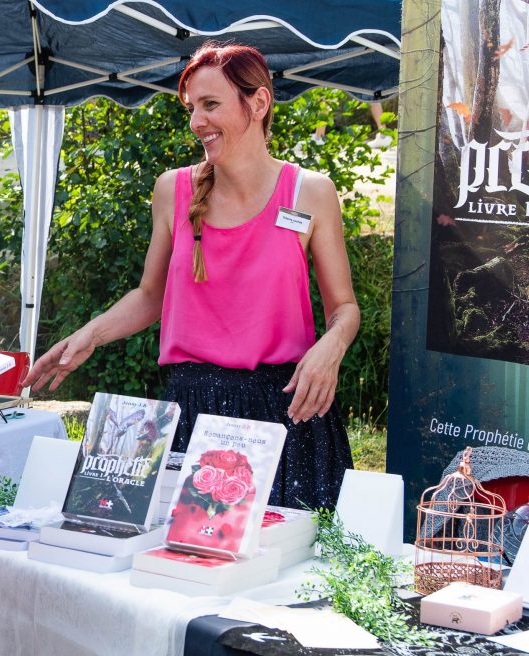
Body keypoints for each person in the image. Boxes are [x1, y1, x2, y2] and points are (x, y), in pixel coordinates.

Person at [23, 42, 359, 510]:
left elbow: (344, 308)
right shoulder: (172, 191)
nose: (197, 121)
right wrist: (88, 336)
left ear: (259, 103)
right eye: (192, 108)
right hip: (191, 411)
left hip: (285, 414)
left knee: (286, 574)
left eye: (211, 104)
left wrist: (331, 347)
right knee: (181, 569)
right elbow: (150, 295)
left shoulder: (311, 194)